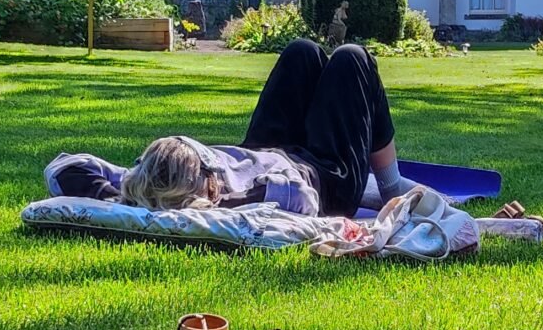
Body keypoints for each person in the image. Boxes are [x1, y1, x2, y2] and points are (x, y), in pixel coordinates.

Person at [110, 38, 419, 219]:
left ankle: (376, 187)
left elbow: (67, 166)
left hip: (262, 151)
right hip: (325, 178)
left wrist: (132, 180)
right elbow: (303, 198)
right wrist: (233, 199)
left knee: (303, 51)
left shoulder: (150, 179)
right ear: (205, 184)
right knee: (352, 59)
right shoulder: (239, 196)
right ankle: (390, 188)